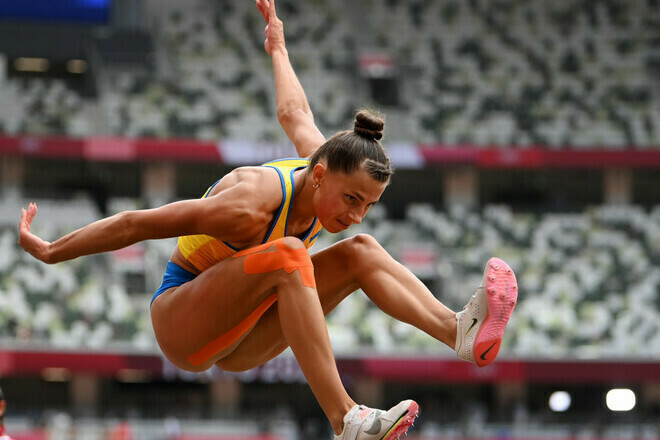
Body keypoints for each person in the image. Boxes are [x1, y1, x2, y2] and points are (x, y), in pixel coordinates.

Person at [17, 0, 518, 438]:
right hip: (182, 324)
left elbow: (294, 113)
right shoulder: (249, 205)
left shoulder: (324, 166)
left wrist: (278, 46)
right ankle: (346, 419)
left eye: (367, 205)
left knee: (361, 252)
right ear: (318, 176)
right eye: (351, 199)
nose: (356, 215)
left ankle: (459, 333)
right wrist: (52, 250)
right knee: (290, 254)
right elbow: (137, 223)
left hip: (244, 333)